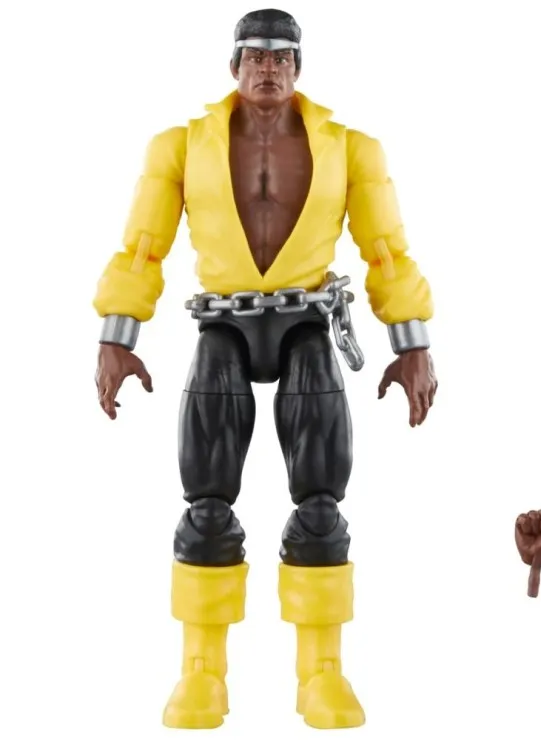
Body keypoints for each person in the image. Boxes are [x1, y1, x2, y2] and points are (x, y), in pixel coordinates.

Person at [93, 8, 437, 730]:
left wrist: (411, 344)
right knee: (206, 505)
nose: (269, 68)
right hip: (222, 326)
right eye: (255, 55)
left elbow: (387, 250)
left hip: (306, 324)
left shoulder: (351, 150)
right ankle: (201, 670)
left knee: (321, 504)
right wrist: (118, 334)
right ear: (233, 66)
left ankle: (322, 671)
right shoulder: (180, 147)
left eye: (282, 56)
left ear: (299, 68)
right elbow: (143, 245)